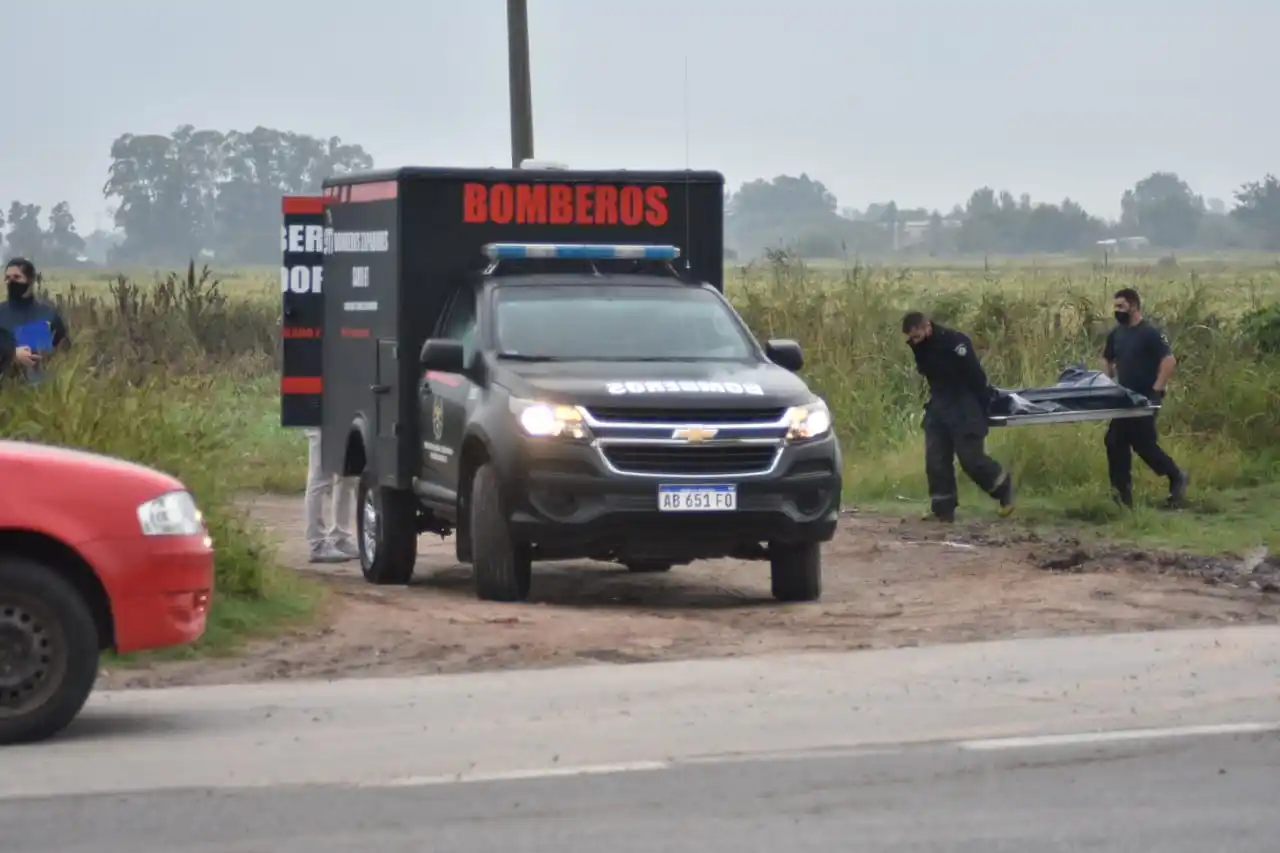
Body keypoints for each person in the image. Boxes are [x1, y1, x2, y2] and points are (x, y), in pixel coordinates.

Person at [902, 311, 1015, 522]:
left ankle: (1003, 488)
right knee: (936, 459)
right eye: (911, 337)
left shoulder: (955, 342)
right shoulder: (919, 346)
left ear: (927, 326)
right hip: (940, 403)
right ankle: (942, 508)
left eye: (917, 336)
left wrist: (983, 406)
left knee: (971, 460)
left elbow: (976, 376)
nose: (914, 341)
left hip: (964, 403)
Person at [1101, 288, 1188, 509]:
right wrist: (1107, 382)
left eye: (1121, 306)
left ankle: (1176, 476)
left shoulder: (1149, 333)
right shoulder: (1117, 333)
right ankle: (1122, 496)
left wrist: (1156, 390)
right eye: (1115, 306)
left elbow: (1169, 360)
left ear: (1134, 306)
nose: (1117, 311)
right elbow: (1106, 358)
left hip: (1145, 399)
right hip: (1123, 398)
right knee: (1114, 441)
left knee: (1144, 445)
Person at [0, 258, 70, 382]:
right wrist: (13, 354)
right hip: (7, 387)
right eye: (8, 278)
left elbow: (64, 348)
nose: (11, 282)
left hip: (42, 387)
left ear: (30, 280)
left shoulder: (48, 313)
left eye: (17, 277)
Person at [305, 427, 360, 563]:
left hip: (338, 416)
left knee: (346, 476)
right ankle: (317, 544)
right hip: (319, 415)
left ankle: (339, 537)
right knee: (320, 478)